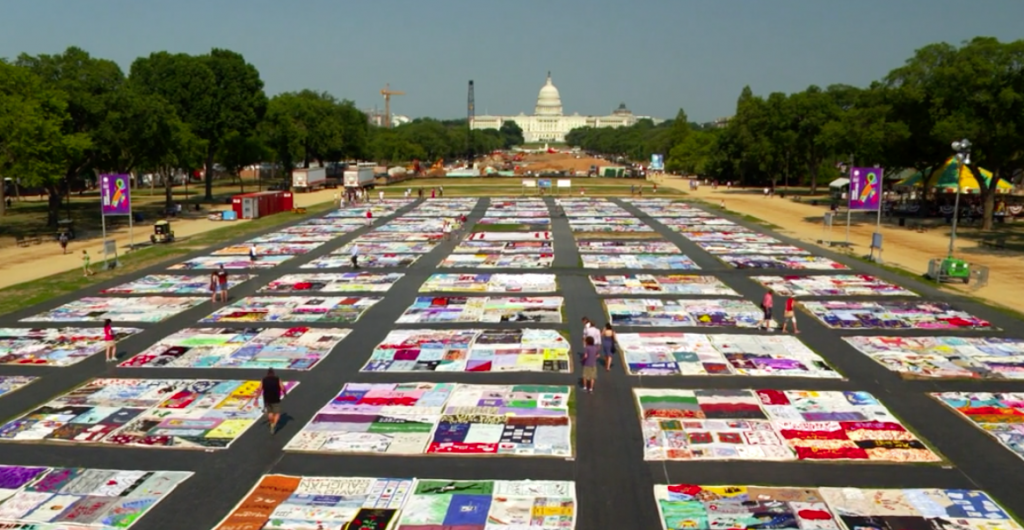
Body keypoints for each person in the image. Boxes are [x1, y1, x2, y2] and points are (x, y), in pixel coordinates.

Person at [258, 368, 287, 434]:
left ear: (267, 373)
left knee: (270, 412)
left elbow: (260, 389)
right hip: (275, 398)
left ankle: (271, 422)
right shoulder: (277, 379)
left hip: (267, 398)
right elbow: (282, 387)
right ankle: (273, 425)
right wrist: (285, 393)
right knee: (277, 413)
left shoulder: (264, 379)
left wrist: (256, 398)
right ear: (273, 373)